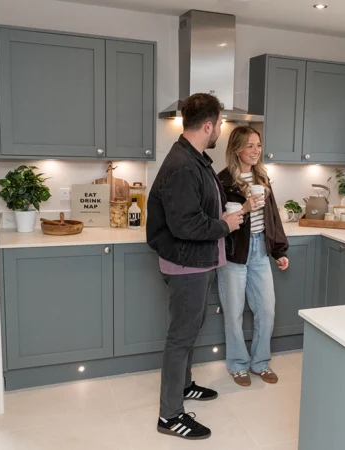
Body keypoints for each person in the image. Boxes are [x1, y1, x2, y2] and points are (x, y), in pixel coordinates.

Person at [146, 93, 245, 440]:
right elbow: (185, 225)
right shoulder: (183, 165)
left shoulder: (195, 158)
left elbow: (195, 212)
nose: (220, 129)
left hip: (197, 262)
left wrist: (221, 217)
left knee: (190, 330)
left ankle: (184, 386)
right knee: (181, 337)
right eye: (219, 124)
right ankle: (169, 416)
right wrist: (225, 225)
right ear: (208, 125)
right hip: (186, 264)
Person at [217, 126, 289, 387]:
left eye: (258, 145)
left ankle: (260, 362)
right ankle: (237, 365)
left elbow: (273, 216)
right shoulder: (222, 180)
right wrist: (246, 206)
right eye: (250, 145)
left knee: (266, 309)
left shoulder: (263, 179)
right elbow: (218, 221)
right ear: (236, 149)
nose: (256, 150)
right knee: (234, 312)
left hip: (260, 251)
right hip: (234, 252)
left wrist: (279, 251)